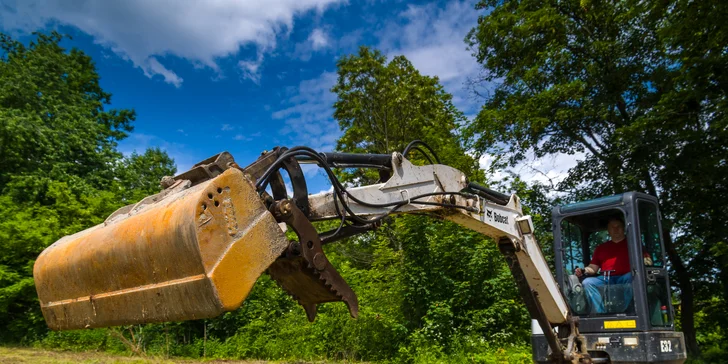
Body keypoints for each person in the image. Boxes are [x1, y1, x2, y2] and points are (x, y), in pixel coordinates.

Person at [575, 217, 652, 314]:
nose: (615, 229)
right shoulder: (601, 248)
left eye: (618, 226)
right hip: (606, 279)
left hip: (625, 278)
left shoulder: (634, 244)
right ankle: (601, 314)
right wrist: (583, 270)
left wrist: (645, 261)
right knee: (588, 282)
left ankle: (626, 310)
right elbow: (593, 268)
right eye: (612, 227)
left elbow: (648, 261)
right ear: (608, 230)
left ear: (623, 228)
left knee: (633, 277)